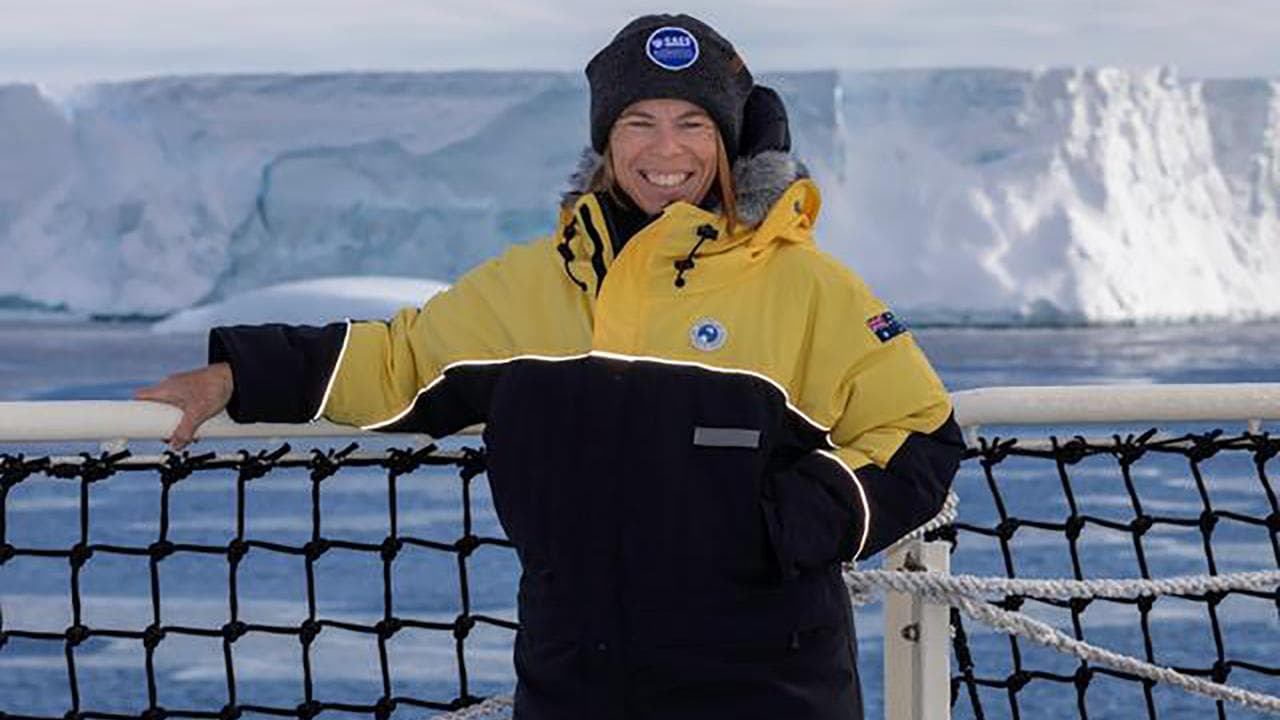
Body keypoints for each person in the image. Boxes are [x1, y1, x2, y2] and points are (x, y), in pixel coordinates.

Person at [137, 14, 964, 720]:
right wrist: (238, 374)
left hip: (766, 687)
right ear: (607, 139)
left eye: (693, 123)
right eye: (639, 121)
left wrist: (787, 526)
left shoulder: (805, 287)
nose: (665, 149)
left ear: (728, 139)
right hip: (576, 682)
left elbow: (920, 432)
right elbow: (398, 364)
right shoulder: (533, 283)